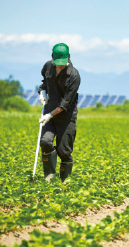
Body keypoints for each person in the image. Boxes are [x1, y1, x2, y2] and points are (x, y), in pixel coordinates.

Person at [38, 43, 81, 182]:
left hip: (66, 116)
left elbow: (65, 104)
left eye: (63, 63)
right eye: (58, 63)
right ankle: (50, 177)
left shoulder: (74, 76)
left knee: (64, 151)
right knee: (45, 141)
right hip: (49, 111)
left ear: (68, 58)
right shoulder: (48, 66)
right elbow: (44, 82)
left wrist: (49, 115)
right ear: (53, 58)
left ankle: (65, 181)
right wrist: (42, 92)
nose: (61, 66)